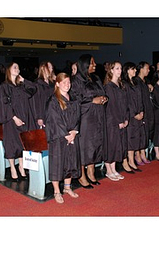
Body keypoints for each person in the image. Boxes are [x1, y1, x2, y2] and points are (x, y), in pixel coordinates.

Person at [0, 62, 37, 180]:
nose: (17, 69)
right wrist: (13, 117)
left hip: (24, 118)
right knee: (12, 144)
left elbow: (33, 89)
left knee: (22, 143)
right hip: (11, 120)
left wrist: (24, 81)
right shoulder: (4, 86)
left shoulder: (21, 86)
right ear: (8, 70)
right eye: (15, 67)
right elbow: (2, 104)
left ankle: (22, 167)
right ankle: (13, 168)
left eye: (18, 67)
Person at [70, 54, 108, 189]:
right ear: (85, 64)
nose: (95, 64)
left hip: (97, 116)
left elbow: (101, 92)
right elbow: (74, 101)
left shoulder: (95, 78)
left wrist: (104, 98)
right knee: (85, 146)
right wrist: (93, 101)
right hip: (85, 118)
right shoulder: (76, 81)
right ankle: (81, 175)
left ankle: (91, 171)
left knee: (96, 144)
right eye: (92, 63)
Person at [45, 73, 81, 204]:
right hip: (58, 137)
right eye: (64, 82)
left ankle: (67, 188)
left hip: (71, 136)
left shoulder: (73, 98)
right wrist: (66, 134)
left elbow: (78, 117)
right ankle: (56, 191)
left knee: (70, 162)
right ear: (57, 84)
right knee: (58, 164)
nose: (67, 84)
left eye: (69, 82)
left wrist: (74, 132)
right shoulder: (53, 100)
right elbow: (54, 120)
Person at [103, 61, 130, 180]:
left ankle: (113, 169)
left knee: (117, 145)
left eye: (120, 68)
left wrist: (126, 118)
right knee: (111, 145)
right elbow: (112, 106)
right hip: (112, 120)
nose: (119, 71)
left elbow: (125, 104)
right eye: (117, 68)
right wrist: (119, 120)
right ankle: (108, 170)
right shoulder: (108, 87)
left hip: (121, 119)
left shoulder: (121, 85)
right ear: (111, 70)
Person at [122, 62, 145, 172]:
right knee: (130, 139)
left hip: (138, 114)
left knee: (136, 138)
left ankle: (133, 160)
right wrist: (134, 113)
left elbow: (140, 99)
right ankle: (130, 161)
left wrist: (141, 111)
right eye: (133, 69)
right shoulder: (125, 84)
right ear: (127, 70)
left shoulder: (135, 83)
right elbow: (127, 102)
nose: (135, 71)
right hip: (131, 116)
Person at [134, 61, 154, 165]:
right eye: (147, 68)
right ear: (141, 69)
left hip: (147, 109)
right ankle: (137, 154)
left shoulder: (145, 81)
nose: (149, 70)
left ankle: (143, 153)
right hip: (139, 110)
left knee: (145, 133)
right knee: (139, 134)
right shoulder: (136, 81)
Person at [32, 61, 55, 129]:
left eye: (52, 67)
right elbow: (36, 101)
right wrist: (39, 117)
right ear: (43, 68)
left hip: (52, 112)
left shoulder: (52, 83)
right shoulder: (38, 84)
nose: (51, 69)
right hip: (43, 113)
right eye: (49, 67)